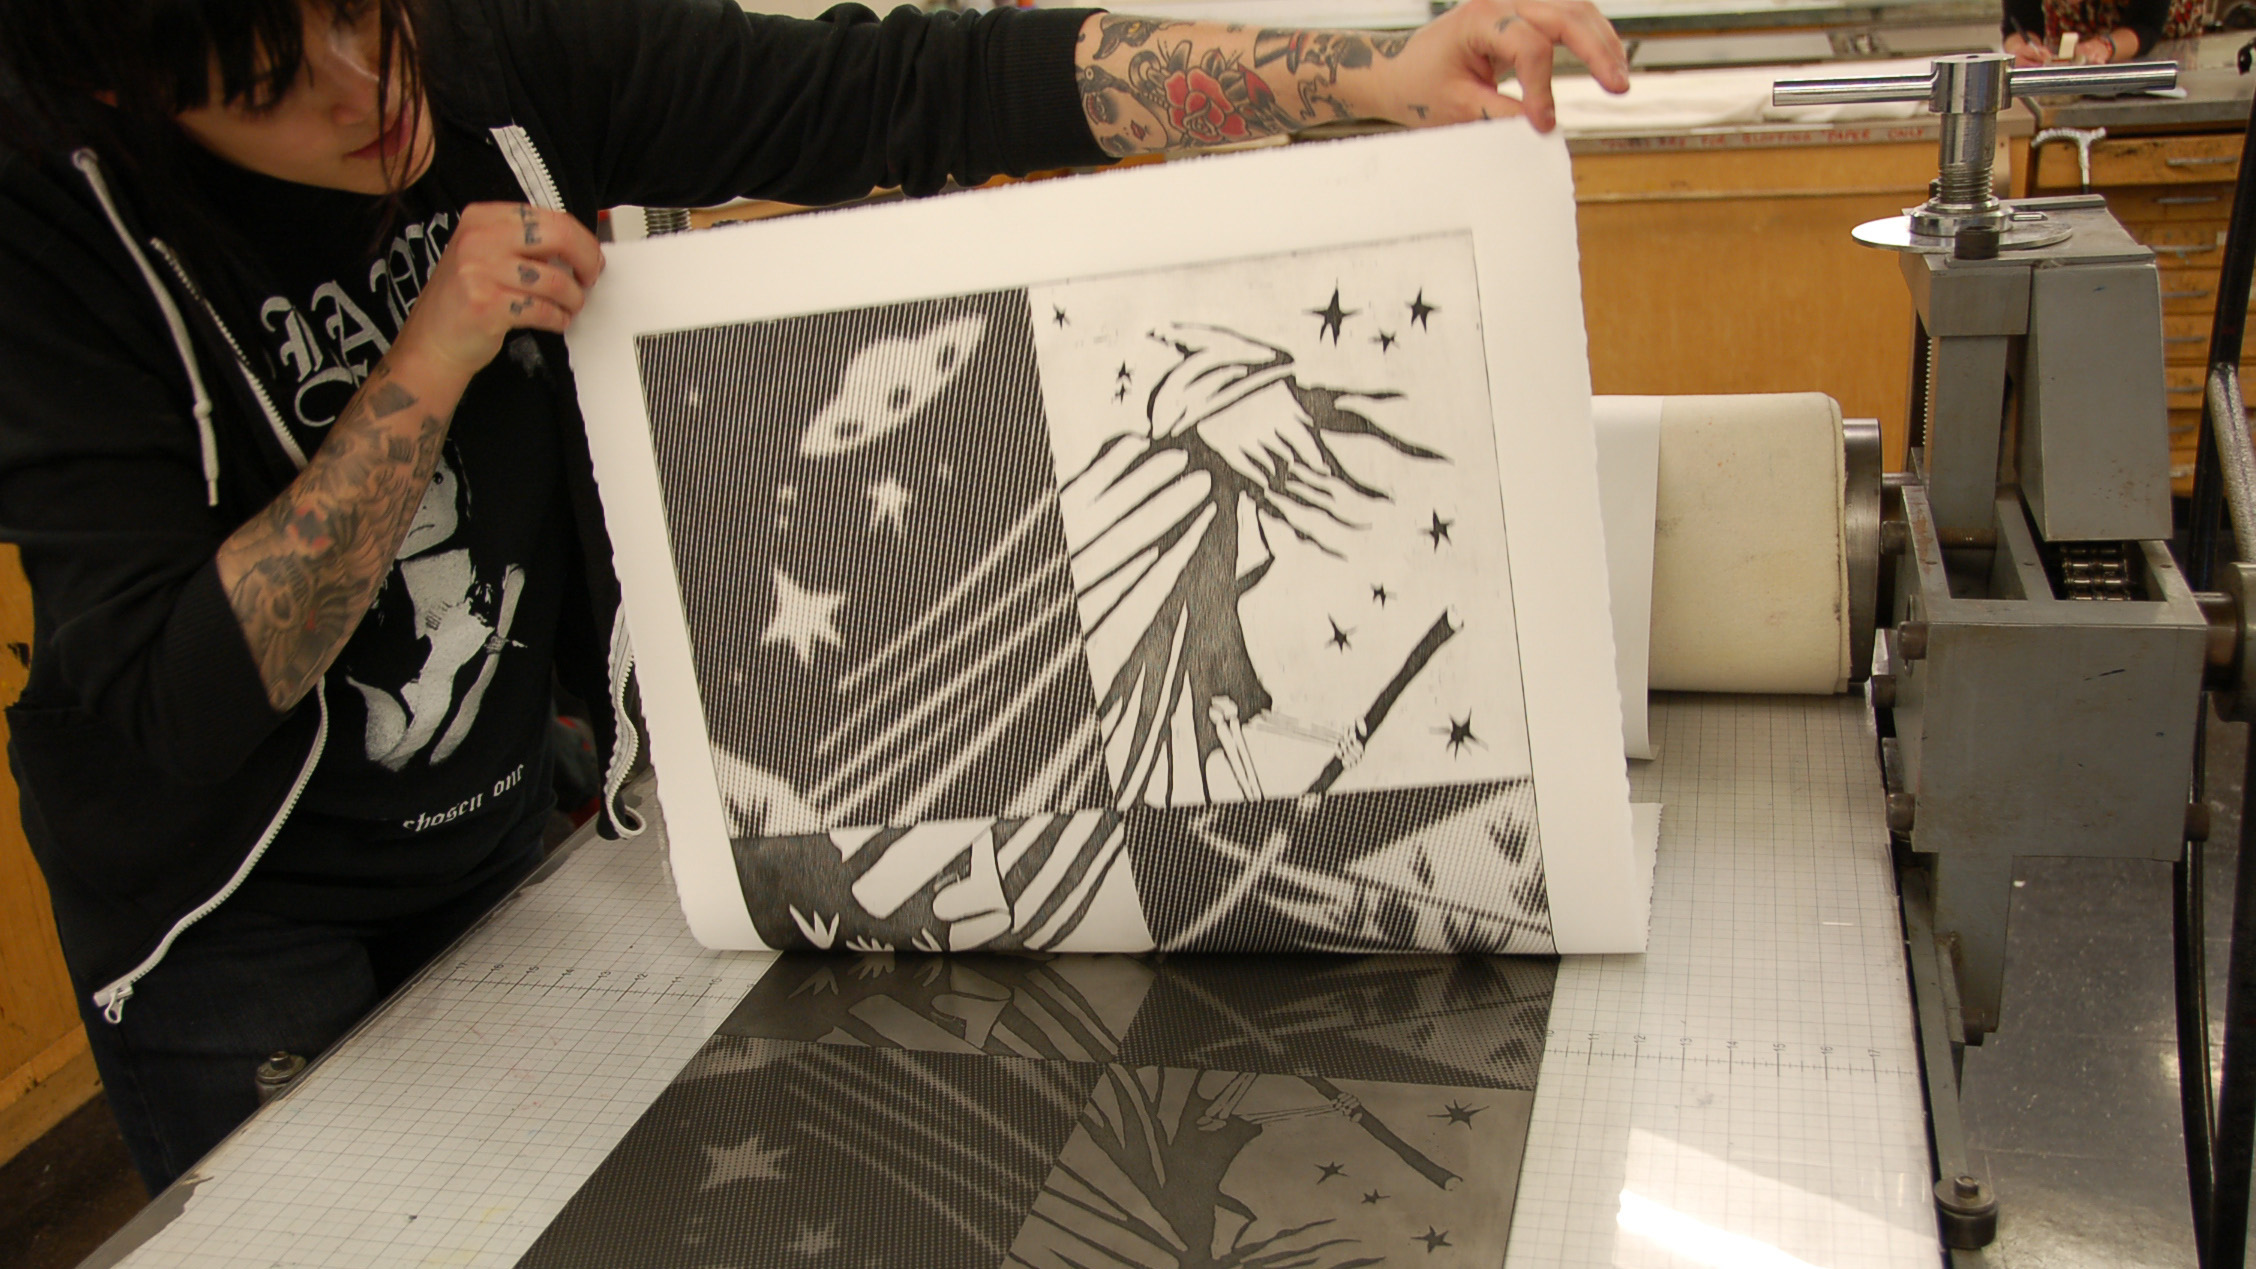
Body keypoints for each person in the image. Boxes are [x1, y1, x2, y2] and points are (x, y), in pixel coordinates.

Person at [0, 0, 1629, 1194]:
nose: (372, 95)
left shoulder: (478, 51)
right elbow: (171, 692)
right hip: (231, 904)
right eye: (283, 87)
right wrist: (428, 360)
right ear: (118, 89)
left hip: (494, 810)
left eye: (365, 17)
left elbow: (900, 82)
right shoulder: (45, 212)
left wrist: (1368, 75)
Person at [2001, 0, 2204, 65]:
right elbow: (2018, 22)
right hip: (2071, 83)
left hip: (2162, 60)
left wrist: (2104, 47)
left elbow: (2146, 24)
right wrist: (2022, 49)